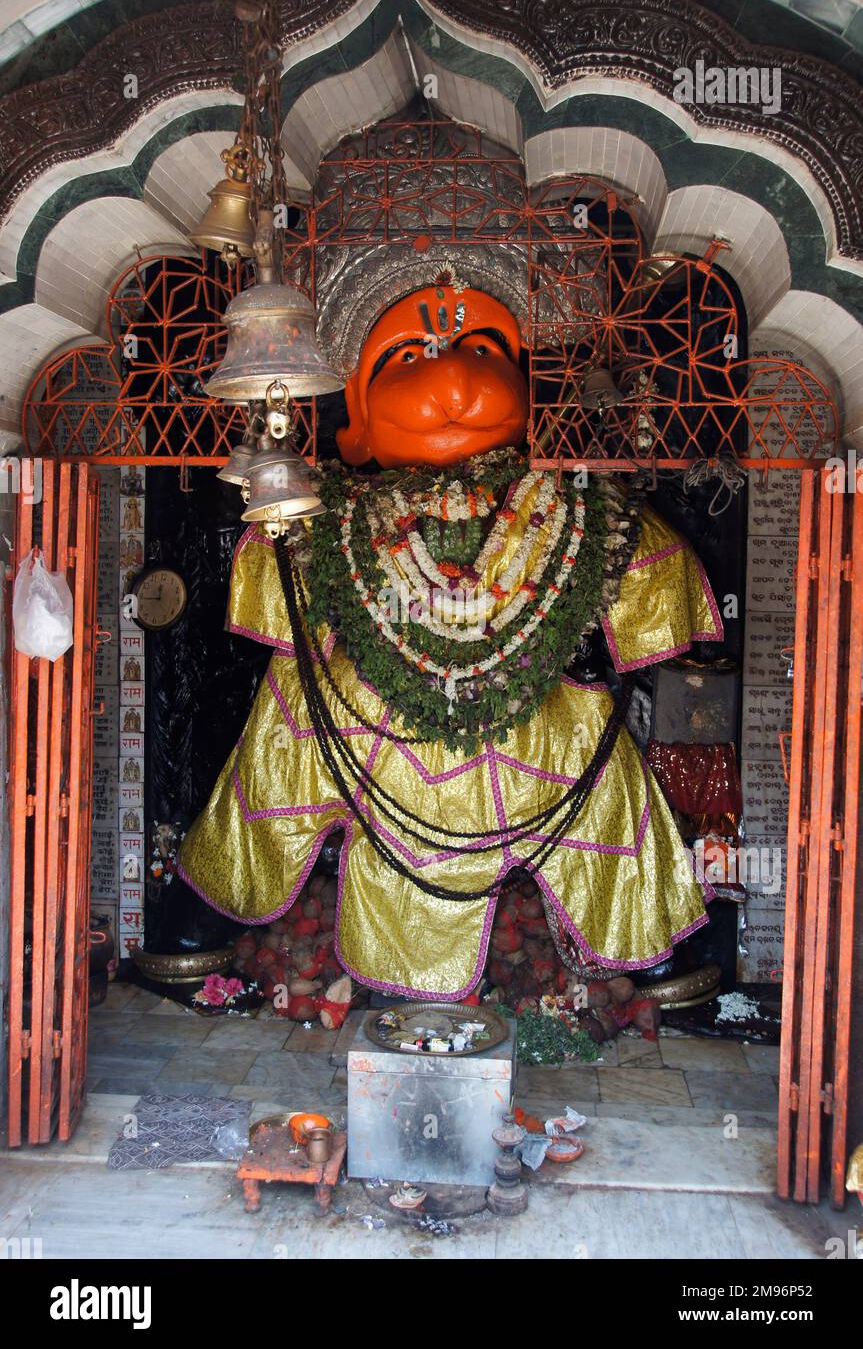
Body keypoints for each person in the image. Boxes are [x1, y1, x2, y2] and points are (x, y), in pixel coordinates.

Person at [178, 272, 722, 998]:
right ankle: (210, 908)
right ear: (356, 423)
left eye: (484, 348)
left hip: (541, 720)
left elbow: (654, 604)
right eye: (405, 359)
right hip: (353, 723)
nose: (453, 381)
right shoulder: (325, 518)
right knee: (288, 717)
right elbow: (276, 599)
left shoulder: (586, 511)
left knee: (599, 752)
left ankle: (642, 939)